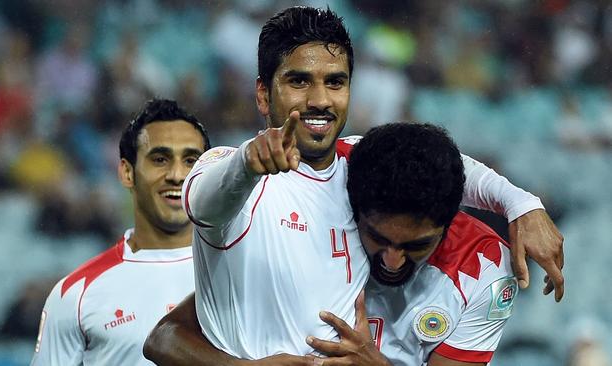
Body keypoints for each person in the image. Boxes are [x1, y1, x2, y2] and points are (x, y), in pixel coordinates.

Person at [144, 6, 563, 363]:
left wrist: (521, 203)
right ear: (262, 94)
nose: (320, 100)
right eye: (298, 81)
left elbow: (444, 161)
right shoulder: (240, 179)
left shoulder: (482, 267)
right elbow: (168, 327)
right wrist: (247, 164)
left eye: (335, 82)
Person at [304, 122, 521, 365]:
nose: (392, 262)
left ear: (448, 226)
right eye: (378, 238)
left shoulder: (485, 265)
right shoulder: (326, 179)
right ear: (354, 207)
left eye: (416, 246)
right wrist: (522, 203)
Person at [30, 98, 210, 365]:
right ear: (127, 173)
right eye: (160, 159)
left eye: (190, 160)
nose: (177, 174)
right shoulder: (75, 294)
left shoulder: (244, 274)